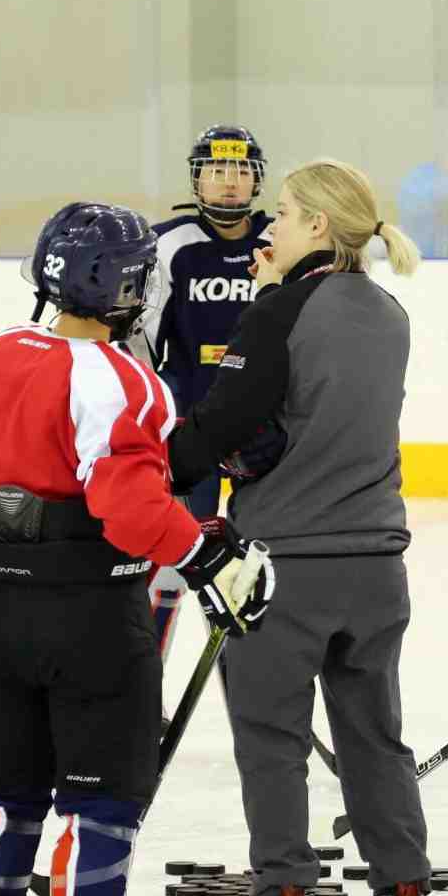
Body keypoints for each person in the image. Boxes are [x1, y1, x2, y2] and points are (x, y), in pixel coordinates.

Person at [0, 202, 274, 896]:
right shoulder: (123, 379)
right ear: (118, 285)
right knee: (102, 801)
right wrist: (202, 556)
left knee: (3, 795)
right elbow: (129, 511)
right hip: (94, 619)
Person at [165, 158, 430, 896]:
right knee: (373, 735)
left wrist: (145, 468)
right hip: (378, 566)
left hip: (285, 569)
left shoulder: (280, 310)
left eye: (282, 214)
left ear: (319, 226)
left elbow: (220, 426)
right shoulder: (389, 312)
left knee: (272, 743)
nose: (268, 227)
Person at [139, 125, 274, 665]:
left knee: (252, 571)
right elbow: (141, 343)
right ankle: (141, 688)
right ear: (197, 179)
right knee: (172, 561)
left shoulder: (277, 239)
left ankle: (253, 692)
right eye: (216, 170)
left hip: (264, 441)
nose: (228, 182)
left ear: (257, 180)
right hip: (190, 436)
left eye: (241, 170)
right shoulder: (168, 244)